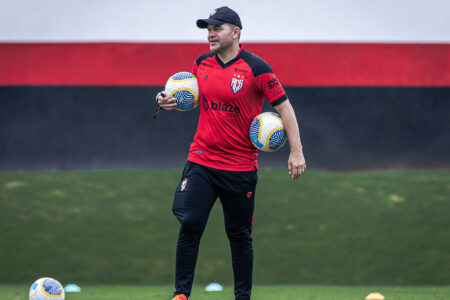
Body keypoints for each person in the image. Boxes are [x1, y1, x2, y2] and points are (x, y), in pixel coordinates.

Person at [156, 6, 306, 300]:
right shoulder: (201, 63)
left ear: (235, 32)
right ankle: (181, 295)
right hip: (201, 160)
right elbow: (196, 99)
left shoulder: (257, 68)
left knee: (239, 237)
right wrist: (167, 100)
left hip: (239, 168)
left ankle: (242, 298)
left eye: (217, 28)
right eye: (208, 29)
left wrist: (296, 151)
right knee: (190, 222)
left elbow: (284, 107)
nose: (210, 33)